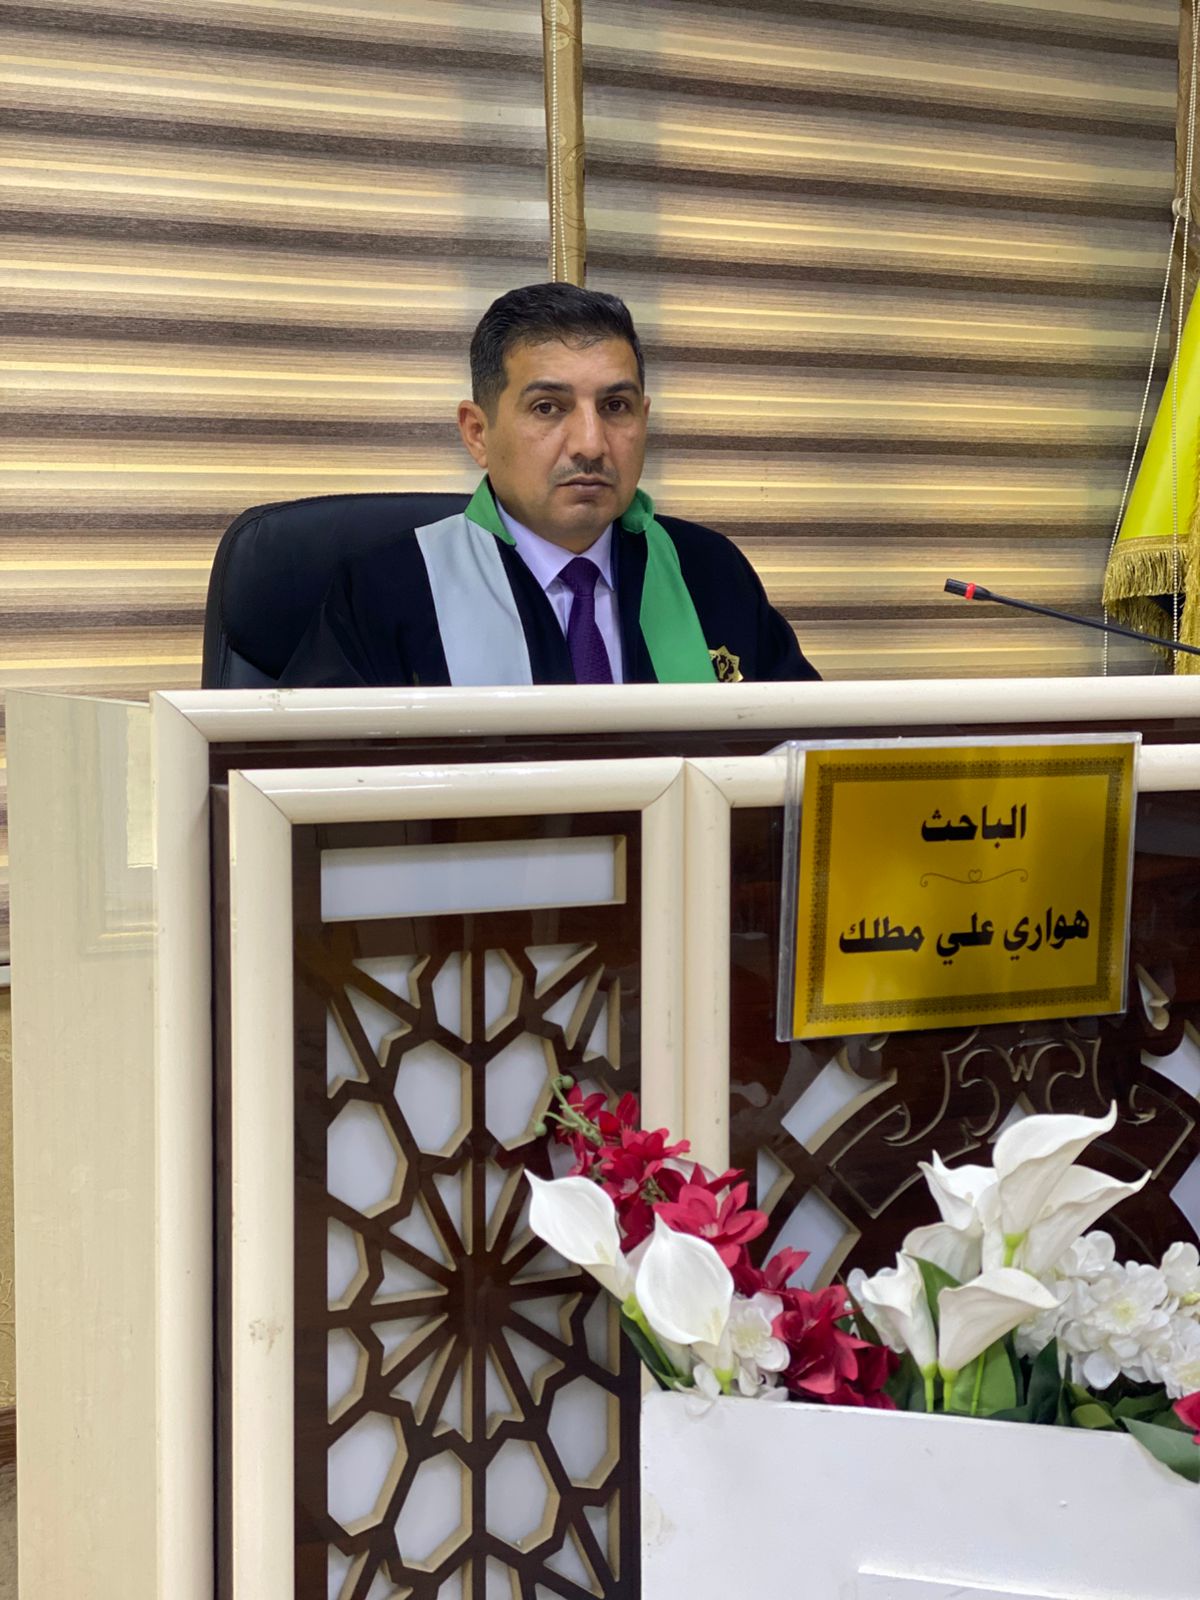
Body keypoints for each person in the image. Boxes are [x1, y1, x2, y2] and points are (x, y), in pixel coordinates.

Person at [280, 282, 820, 686]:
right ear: (477, 433)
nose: (590, 443)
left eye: (615, 406)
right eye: (548, 407)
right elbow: (307, 781)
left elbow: (802, 757)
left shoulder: (710, 572)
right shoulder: (385, 591)